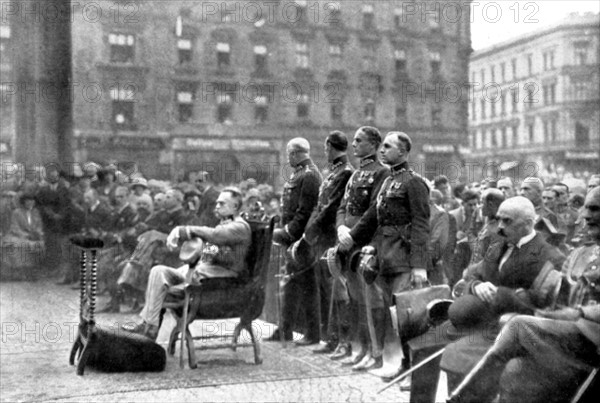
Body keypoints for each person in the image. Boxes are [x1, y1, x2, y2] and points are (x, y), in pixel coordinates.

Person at [447, 187, 600, 403]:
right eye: (586, 208)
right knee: (515, 369)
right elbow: (557, 303)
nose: (585, 215)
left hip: (591, 340)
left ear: (527, 223)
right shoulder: (580, 254)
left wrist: (578, 313)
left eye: (595, 209)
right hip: (564, 337)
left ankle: (459, 399)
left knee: (518, 326)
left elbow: (558, 307)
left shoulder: (551, 254)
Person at [440, 196, 566, 391]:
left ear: (528, 223)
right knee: (429, 333)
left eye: (507, 221)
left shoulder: (550, 256)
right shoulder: (499, 244)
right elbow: (472, 273)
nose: (499, 226)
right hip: (478, 320)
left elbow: (542, 303)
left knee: (456, 354)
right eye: (498, 219)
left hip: (511, 330)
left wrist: (502, 294)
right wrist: (475, 286)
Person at [348, 131, 430, 376]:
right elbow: (372, 217)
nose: (382, 150)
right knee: (391, 316)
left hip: (404, 259)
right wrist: (350, 238)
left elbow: (421, 224)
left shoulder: (414, 182)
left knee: (407, 317)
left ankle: (413, 370)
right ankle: (401, 365)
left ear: (403, 152)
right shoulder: (386, 182)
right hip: (385, 258)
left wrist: (419, 265)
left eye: (388, 146)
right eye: (381, 146)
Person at [122, 188, 252, 340]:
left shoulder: (240, 226)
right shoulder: (225, 224)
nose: (216, 206)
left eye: (222, 203)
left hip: (220, 278)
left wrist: (184, 230)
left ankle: (149, 329)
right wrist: (204, 252)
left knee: (164, 286)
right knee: (158, 271)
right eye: (216, 203)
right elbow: (214, 249)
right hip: (205, 271)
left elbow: (215, 235)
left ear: (235, 207)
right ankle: (148, 324)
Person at [332, 126, 390, 366]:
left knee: (372, 300)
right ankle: (362, 348)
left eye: (359, 141)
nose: (353, 145)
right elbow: (343, 207)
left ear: (374, 146)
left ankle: (376, 353)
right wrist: (340, 228)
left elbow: (373, 211)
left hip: (367, 244)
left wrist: (352, 235)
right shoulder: (355, 175)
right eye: (354, 141)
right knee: (356, 299)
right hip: (348, 242)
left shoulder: (382, 173)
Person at [303, 131, 354, 353]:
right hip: (322, 238)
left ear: (331, 147)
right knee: (327, 289)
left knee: (337, 290)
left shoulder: (345, 173)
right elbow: (320, 205)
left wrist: (310, 232)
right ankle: (332, 338)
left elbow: (331, 206)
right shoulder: (333, 173)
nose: (325, 153)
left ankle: (342, 340)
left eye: (326, 149)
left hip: (332, 237)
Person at [268, 138, 322, 344]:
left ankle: (313, 333)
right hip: (293, 240)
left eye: (289, 154)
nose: (288, 157)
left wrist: (288, 233)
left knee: (308, 286)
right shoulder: (299, 174)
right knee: (290, 284)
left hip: (302, 241)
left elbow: (305, 212)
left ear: (295, 153)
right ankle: (285, 329)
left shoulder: (309, 176)